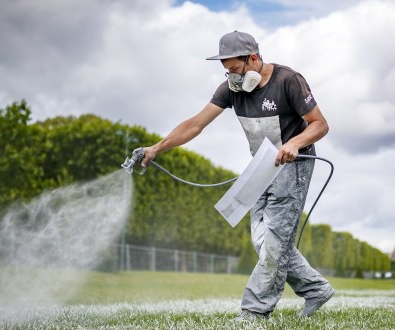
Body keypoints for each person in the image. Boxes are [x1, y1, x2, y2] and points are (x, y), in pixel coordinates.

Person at [140, 31, 334, 320]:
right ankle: (315, 288)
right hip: (261, 166)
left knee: (275, 241)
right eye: (226, 71)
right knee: (262, 241)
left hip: (294, 165)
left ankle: (254, 312)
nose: (231, 77)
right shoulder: (231, 89)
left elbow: (320, 124)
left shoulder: (288, 81)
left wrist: (294, 143)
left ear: (253, 59)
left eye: (234, 69)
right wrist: (156, 148)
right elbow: (195, 124)